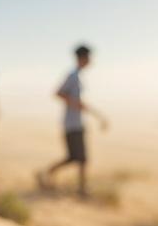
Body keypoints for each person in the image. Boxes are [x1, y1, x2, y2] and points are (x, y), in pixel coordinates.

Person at [37, 44, 108, 197]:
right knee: (77, 157)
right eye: (89, 57)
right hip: (72, 123)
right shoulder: (73, 75)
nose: (91, 60)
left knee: (77, 158)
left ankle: (77, 186)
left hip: (77, 123)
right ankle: (79, 188)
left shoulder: (79, 76)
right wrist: (76, 103)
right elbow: (58, 93)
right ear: (83, 58)